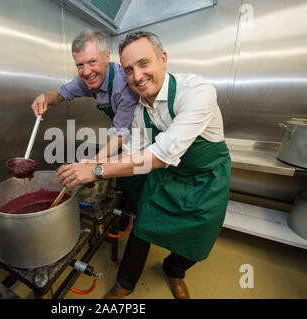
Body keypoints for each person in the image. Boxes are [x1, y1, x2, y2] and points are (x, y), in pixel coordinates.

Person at [57, 31, 231, 299]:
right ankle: (124, 283)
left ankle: (175, 270)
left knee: (200, 237)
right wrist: (89, 164)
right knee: (144, 224)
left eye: (143, 64)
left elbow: (160, 155)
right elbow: (131, 152)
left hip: (205, 179)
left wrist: (95, 170)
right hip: (167, 174)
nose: (137, 76)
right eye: (129, 70)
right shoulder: (139, 110)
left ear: (162, 59)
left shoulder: (197, 93)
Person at [31, 29, 144, 209]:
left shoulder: (124, 85)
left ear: (106, 57)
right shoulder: (86, 79)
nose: (86, 72)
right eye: (80, 65)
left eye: (92, 62)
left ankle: (134, 217)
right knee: (121, 185)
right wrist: (44, 96)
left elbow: (122, 135)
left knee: (139, 184)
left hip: (143, 139)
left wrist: (91, 164)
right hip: (122, 138)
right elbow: (60, 95)